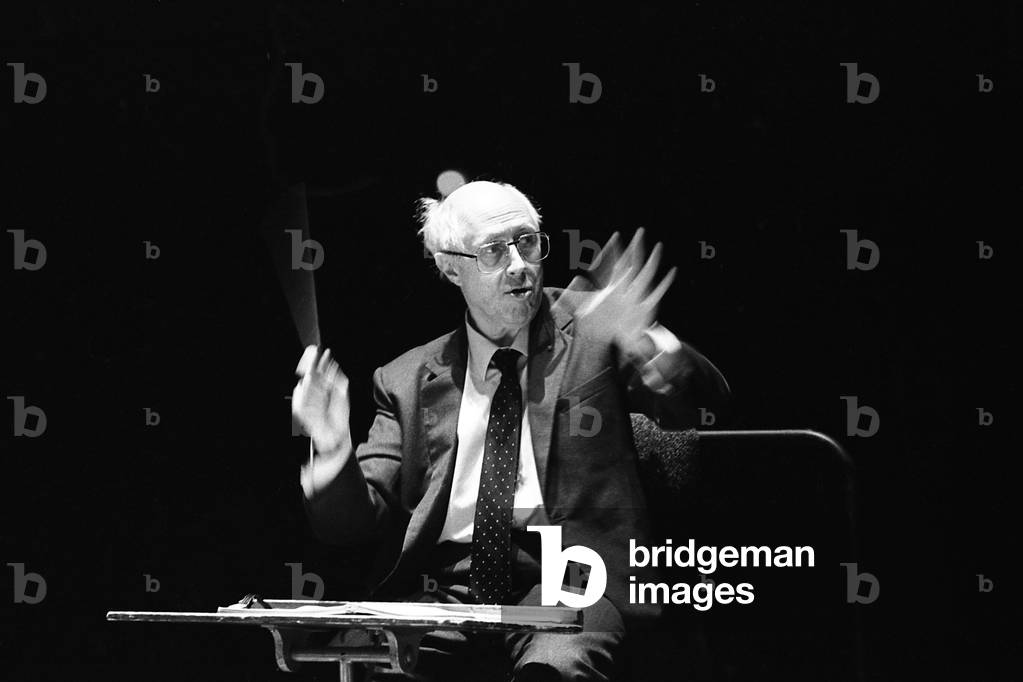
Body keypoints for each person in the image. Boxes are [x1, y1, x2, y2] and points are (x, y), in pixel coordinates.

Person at [292, 180, 730, 681]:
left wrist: (651, 346)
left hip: (573, 577)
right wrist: (332, 446)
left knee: (554, 668)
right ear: (450, 267)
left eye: (527, 242)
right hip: (448, 590)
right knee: (367, 665)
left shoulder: (593, 324)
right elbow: (350, 527)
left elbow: (702, 408)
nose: (519, 264)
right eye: (493, 251)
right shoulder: (405, 380)